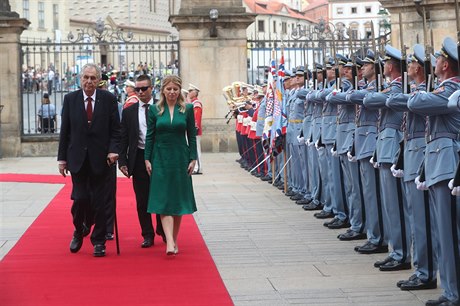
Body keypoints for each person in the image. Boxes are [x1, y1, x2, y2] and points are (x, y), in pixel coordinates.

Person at [57, 63, 121, 257]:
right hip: (77, 158)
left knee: (100, 201)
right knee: (80, 198)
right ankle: (80, 228)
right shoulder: (70, 99)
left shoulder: (108, 99)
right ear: (80, 78)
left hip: (102, 160)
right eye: (86, 77)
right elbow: (65, 130)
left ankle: (99, 241)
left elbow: (115, 130)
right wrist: (61, 159)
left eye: (93, 78)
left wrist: (113, 150)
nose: (89, 81)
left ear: (98, 80)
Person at [144, 75, 197, 256]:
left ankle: (173, 239)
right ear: (163, 91)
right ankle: (169, 242)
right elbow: (149, 136)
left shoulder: (187, 109)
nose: (172, 92)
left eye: (175, 89)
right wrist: (147, 158)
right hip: (160, 158)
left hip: (180, 158)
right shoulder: (154, 110)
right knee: (163, 199)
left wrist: (193, 158)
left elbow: (191, 135)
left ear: (179, 91)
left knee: (177, 200)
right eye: (169, 89)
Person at [118, 74, 165, 248]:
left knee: (161, 194)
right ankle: (147, 234)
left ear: (152, 88)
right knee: (142, 199)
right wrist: (122, 160)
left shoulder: (162, 107)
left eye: (144, 88)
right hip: (138, 157)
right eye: (137, 89)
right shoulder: (129, 111)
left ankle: (162, 228)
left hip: (159, 157)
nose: (140, 92)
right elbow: (123, 138)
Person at [188, 84, 203, 174]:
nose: (189, 93)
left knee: (196, 150)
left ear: (195, 92)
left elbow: (196, 118)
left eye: (190, 91)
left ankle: (198, 168)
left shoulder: (196, 104)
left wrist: (195, 128)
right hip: (193, 130)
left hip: (195, 130)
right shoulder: (193, 103)